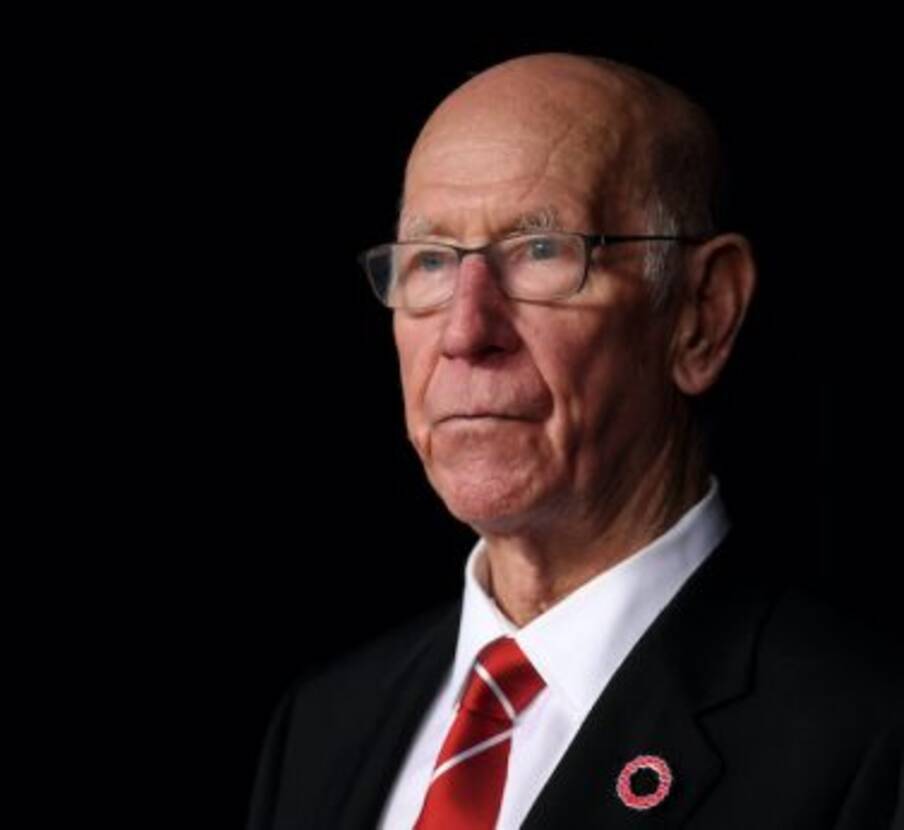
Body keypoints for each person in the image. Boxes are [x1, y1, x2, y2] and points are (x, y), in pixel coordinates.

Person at [245, 53, 904, 829]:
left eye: (542, 251)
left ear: (703, 313)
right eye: (430, 262)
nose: (465, 332)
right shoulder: (322, 727)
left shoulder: (869, 741)